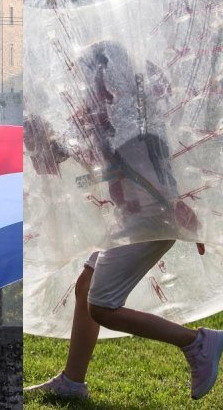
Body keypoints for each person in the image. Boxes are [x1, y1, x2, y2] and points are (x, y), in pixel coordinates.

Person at [24, 41, 223, 401]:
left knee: (101, 305)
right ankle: (72, 382)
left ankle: (197, 342)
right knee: (87, 286)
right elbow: (97, 170)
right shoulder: (119, 116)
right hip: (137, 221)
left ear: (106, 78)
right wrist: (41, 140)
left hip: (149, 221)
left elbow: (133, 168)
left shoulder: (126, 118)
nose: (85, 88)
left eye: (89, 79)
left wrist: (178, 214)